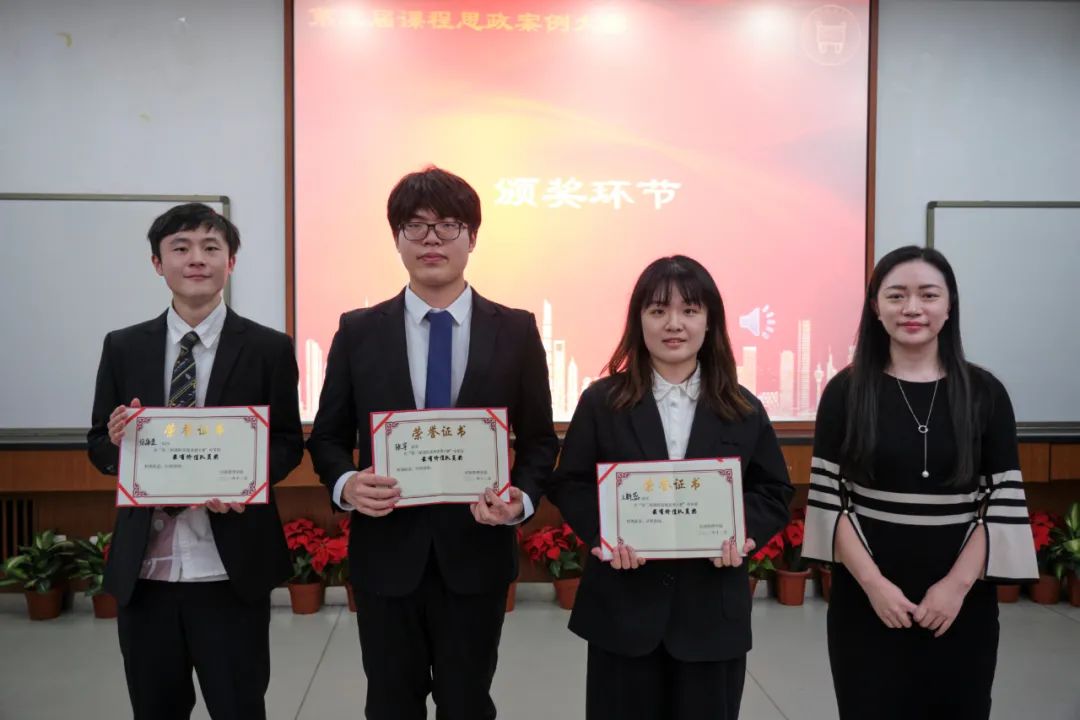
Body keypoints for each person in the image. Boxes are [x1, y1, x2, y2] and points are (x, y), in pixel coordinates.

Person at [306, 166, 559, 720]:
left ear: (473, 236)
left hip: (476, 553)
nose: (431, 240)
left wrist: (521, 499)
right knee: (390, 703)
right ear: (396, 238)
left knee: (467, 703)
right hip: (386, 554)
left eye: (448, 226)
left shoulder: (515, 331)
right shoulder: (359, 330)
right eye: (415, 227)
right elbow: (327, 436)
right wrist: (347, 484)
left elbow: (540, 441)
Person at [544, 255, 792, 720]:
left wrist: (743, 532)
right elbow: (571, 482)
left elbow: (773, 490)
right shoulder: (602, 402)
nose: (673, 324)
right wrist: (606, 534)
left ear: (709, 321)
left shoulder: (743, 407)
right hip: (623, 611)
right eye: (658, 310)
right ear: (638, 321)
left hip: (711, 615)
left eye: (689, 310)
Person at [87, 203, 304, 720]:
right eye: (180, 248)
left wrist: (247, 483)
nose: (197, 259)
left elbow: (287, 443)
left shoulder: (269, 348)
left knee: (239, 707)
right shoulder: (123, 347)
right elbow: (98, 444)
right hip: (147, 572)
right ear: (157, 263)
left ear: (231, 261)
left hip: (229, 570)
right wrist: (116, 440)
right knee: (155, 708)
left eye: (211, 247)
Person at [803, 245, 1039, 719]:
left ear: (950, 306)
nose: (912, 308)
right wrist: (874, 586)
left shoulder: (986, 393)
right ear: (876, 307)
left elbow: (1000, 501)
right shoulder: (846, 391)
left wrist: (955, 587)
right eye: (896, 296)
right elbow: (830, 499)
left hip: (961, 604)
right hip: (866, 602)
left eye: (928, 295)